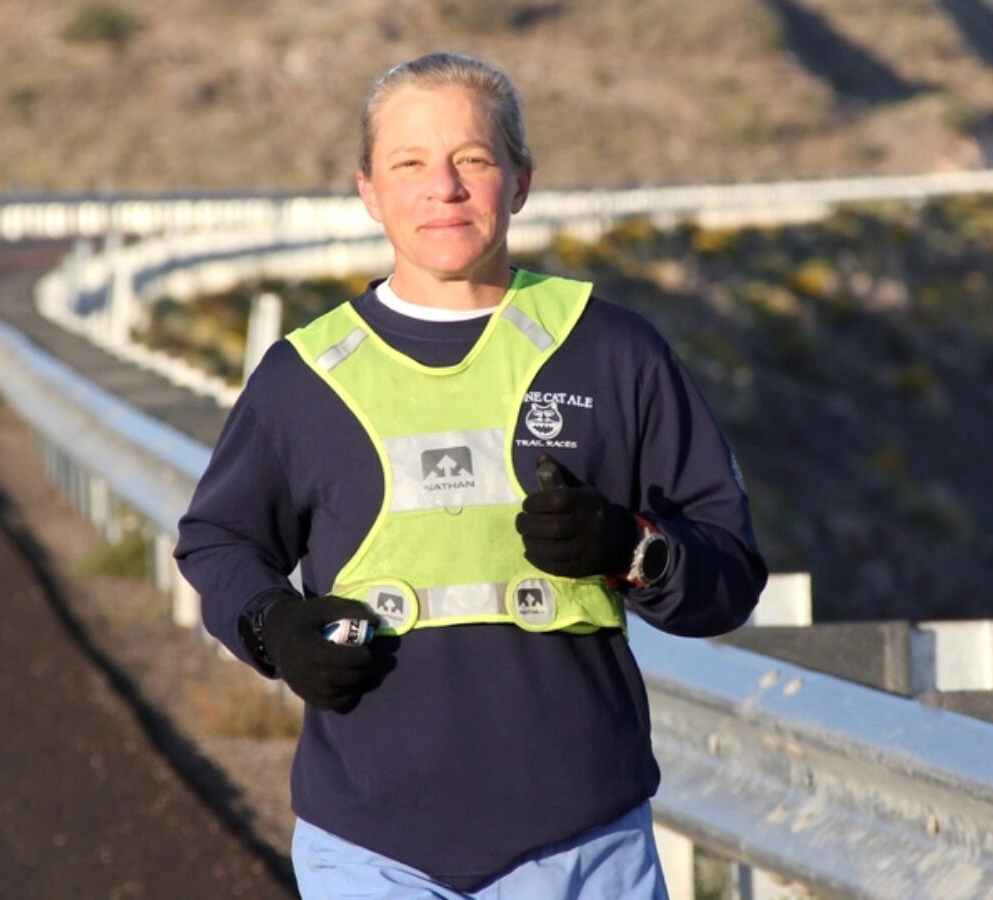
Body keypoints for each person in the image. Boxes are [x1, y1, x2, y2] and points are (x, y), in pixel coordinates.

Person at [175, 51, 767, 899]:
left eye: (473, 160)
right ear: (368, 189)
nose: (442, 189)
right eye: (409, 164)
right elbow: (220, 543)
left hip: (584, 846)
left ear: (520, 181)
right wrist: (277, 630)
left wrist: (631, 549)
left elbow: (729, 574)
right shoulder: (303, 376)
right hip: (367, 846)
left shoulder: (613, 351)